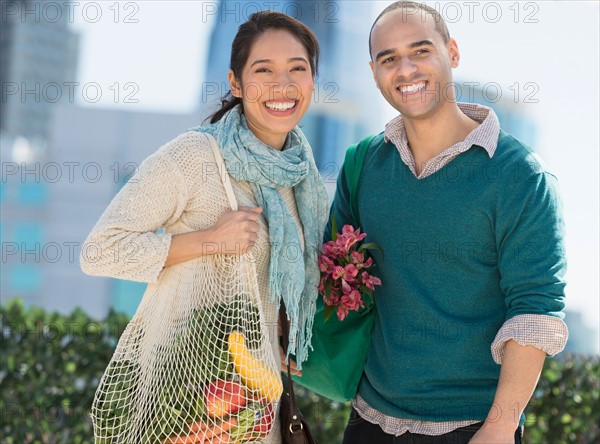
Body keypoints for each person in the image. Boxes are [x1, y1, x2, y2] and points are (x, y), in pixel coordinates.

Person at [80, 11, 329, 444]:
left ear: (311, 82)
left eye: (297, 69)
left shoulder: (302, 179)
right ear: (236, 83)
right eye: (263, 70)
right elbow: (101, 250)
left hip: (257, 405)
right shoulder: (196, 156)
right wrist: (209, 241)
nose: (282, 85)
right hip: (189, 400)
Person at [327, 2, 568, 443]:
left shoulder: (519, 175)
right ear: (374, 71)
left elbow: (534, 312)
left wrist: (498, 428)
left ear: (452, 52)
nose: (405, 69)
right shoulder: (362, 164)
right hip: (370, 422)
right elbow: (333, 273)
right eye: (388, 58)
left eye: (421, 51)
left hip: (475, 428)